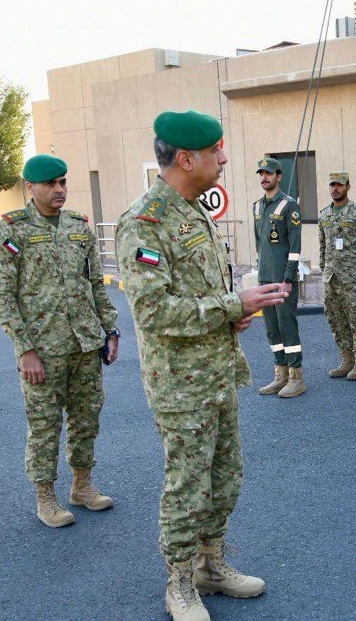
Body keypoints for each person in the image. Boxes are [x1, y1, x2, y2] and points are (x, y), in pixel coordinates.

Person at [116, 110, 285, 620]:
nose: (226, 159)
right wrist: (233, 306)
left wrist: (234, 313)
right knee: (188, 484)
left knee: (224, 475)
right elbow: (152, 311)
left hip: (217, 370)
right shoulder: (144, 222)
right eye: (217, 151)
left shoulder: (194, 213)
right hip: (179, 384)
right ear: (187, 158)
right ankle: (180, 584)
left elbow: (199, 294)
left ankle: (212, 565)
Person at [0, 154, 120, 528]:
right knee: (45, 424)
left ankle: (82, 485)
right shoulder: (13, 229)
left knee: (86, 418)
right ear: (30, 187)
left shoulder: (78, 226)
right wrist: (25, 349)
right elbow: (4, 293)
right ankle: (45, 496)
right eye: (51, 183)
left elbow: (95, 284)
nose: (60, 189)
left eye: (63, 182)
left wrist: (109, 329)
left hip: (84, 344)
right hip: (42, 350)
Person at [252, 158, 306, 398]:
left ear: (279, 176)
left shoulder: (288, 205)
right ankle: (280, 374)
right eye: (261, 174)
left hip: (282, 279)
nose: (265, 177)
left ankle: (296, 377)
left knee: (287, 326)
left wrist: (288, 277)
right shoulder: (256, 206)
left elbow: (295, 246)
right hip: (265, 277)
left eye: (269, 173)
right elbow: (259, 243)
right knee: (272, 328)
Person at [318, 171, 356, 381]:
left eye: (340, 185)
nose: (335, 189)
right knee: (336, 319)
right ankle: (346, 358)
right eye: (332, 185)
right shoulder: (324, 214)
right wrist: (323, 270)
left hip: (354, 277)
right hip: (331, 278)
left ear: (348, 187)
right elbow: (323, 246)